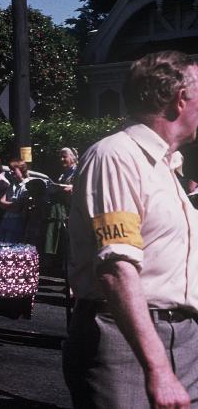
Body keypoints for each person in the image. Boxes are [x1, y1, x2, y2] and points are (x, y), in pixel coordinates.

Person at [64, 50, 198, 408]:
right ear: (181, 98)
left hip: (183, 339)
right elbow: (117, 270)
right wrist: (159, 370)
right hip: (125, 343)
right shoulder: (116, 156)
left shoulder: (169, 166)